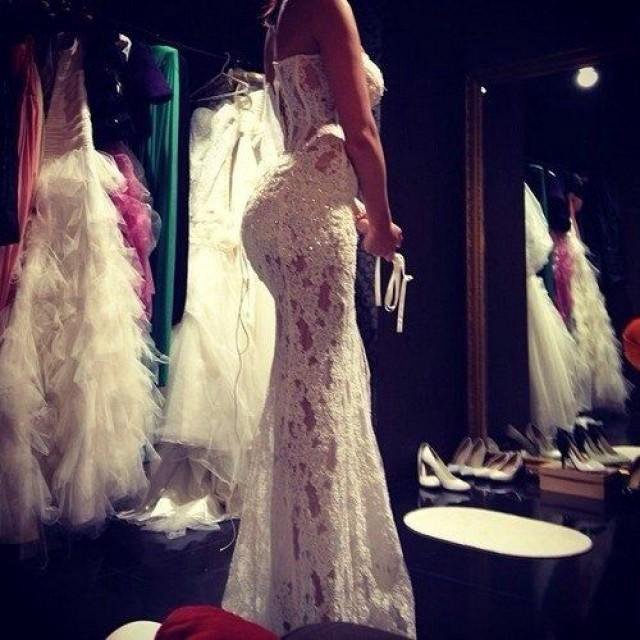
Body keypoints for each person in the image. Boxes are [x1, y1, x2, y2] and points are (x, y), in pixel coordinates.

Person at [222, 1, 416, 637]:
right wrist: (381, 222)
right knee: (323, 392)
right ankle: (321, 595)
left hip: (282, 203)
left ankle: (300, 580)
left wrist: (351, 204)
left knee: (302, 389)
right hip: (306, 211)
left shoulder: (277, 18)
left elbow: (305, 136)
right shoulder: (329, 4)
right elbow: (360, 132)